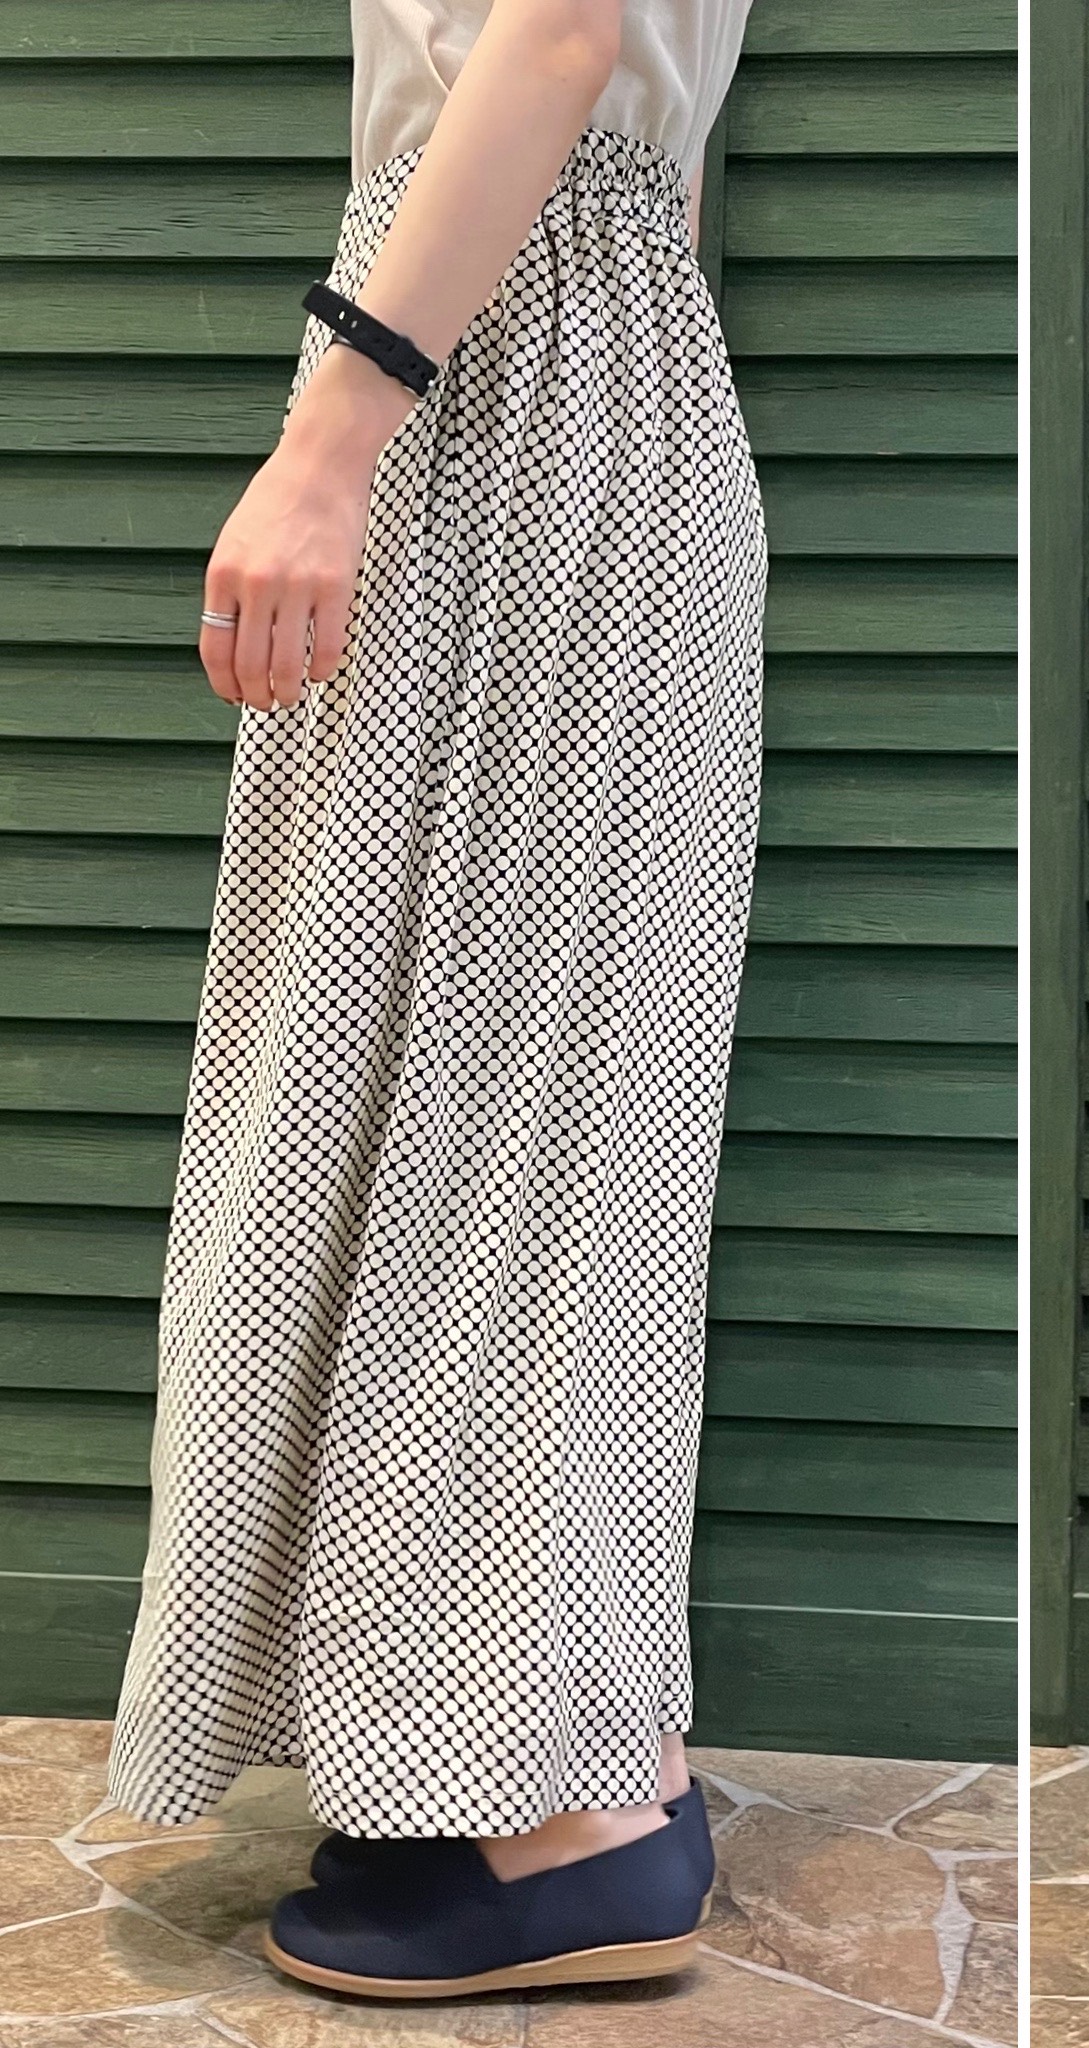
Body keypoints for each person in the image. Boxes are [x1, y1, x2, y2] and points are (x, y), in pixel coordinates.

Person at [105, 0, 764, 1999]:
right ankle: (555, 1749)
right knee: (537, 1106)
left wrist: (331, 440)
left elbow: (555, 31)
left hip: (491, 376)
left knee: (493, 1124)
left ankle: (565, 1827)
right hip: (584, 347)